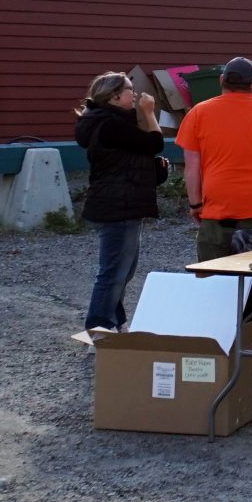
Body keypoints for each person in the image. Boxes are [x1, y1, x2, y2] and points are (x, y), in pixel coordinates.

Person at [178, 56, 252, 349]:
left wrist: (195, 204)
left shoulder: (199, 112)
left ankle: (217, 335)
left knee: (213, 273)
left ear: (222, 81)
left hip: (220, 204)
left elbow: (192, 166)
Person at [74, 71, 166, 336]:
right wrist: (148, 112)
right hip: (118, 206)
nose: (134, 94)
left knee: (123, 271)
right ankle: (98, 328)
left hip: (116, 203)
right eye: (129, 90)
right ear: (114, 97)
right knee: (114, 272)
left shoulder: (104, 121)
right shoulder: (111, 125)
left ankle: (115, 320)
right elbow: (154, 142)